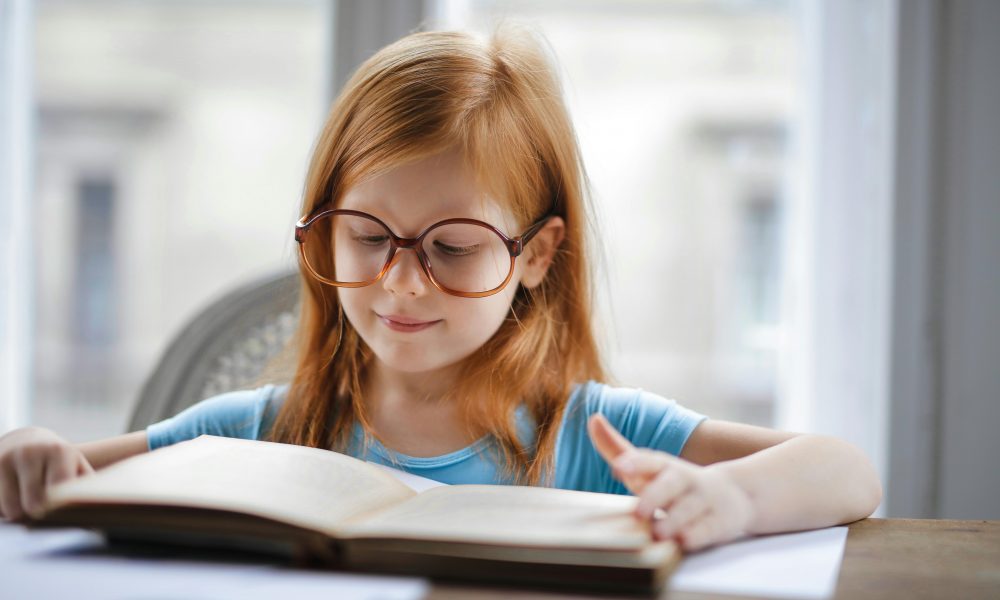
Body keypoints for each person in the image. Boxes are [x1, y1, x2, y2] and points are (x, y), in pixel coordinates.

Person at [0, 26, 881, 552]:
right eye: (369, 237)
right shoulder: (256, 430)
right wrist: (30, 450)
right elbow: (58, 483)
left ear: (536, 255)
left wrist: (734, 499)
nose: (401, 281)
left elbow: (845, 472)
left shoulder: (592, 433)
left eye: (452, 249)